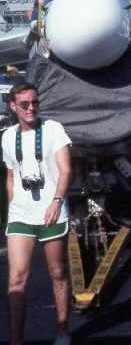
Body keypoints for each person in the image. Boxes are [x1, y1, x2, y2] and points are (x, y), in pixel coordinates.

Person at [4, 82, 72, 345]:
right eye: (24, 104)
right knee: (17, 279)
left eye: (35, 102)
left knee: (58, 274)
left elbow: (65, 170)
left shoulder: (53, 130)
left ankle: (63, 331)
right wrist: (13, 207)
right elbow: (11, 176)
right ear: (13, 107)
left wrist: (56, 201)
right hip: (21, 214)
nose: (31, 108)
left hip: (51, 212)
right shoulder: (8, 136)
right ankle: (15, 340)